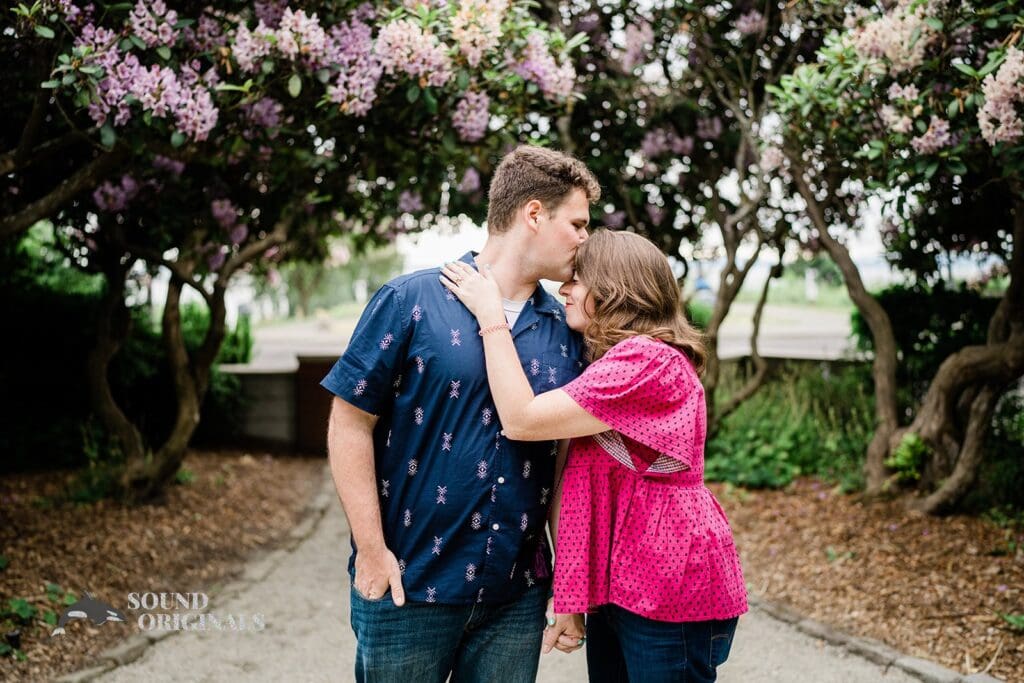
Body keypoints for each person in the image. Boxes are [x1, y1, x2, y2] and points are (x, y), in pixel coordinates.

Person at [321, 145, 601, 682]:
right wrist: (373, 551)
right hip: (410, 585)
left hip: (515, 596)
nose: (586, 239)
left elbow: (563, 467)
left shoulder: (568, 331)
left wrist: (566, 586)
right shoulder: (409, 300)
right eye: (578, 223)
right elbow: (349, 421)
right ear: (534, 214)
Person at [440, 229, 749, 683]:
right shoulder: (610, 362)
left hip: (668, 584)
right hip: (623, 579)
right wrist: (573, 597)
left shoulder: (647, 362)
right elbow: (580, 487)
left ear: (614, 290)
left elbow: (522, 419)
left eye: (578, 280)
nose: (564, 288)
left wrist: (492, 318)